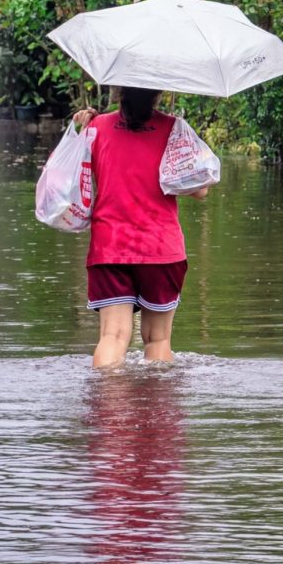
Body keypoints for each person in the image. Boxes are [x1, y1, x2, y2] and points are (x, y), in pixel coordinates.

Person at [72, 87, 209, 368]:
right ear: (158, 93)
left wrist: (81, 129)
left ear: (118, 91)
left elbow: (73, 174)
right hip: (161, 250)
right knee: (157, 341)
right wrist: (179, 143)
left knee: (112, 336)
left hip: (109, 248)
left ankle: (107, 407)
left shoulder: (96, 126)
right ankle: (156, 411)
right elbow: (200, 191)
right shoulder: (173, 129)